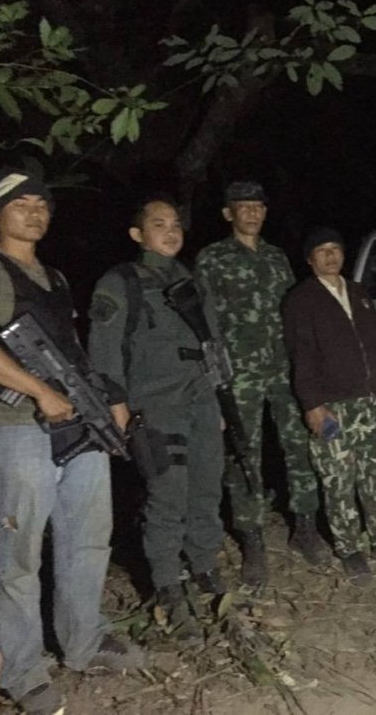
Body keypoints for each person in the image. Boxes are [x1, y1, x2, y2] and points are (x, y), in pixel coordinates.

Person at [0, 169, 145, 715]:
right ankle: (22, 670)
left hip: (78, 426)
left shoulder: (54, 277)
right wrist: (39, 392)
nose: (35, 213)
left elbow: (72, 352)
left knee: (88, 540)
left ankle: (84, 641)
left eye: (42, 204)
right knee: (20, 557)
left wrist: (107, 397)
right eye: (21, 204)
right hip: (21, 431)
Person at [88, 198, 225, 639]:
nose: (171, 231)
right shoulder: (121, 281)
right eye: (159, 224)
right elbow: (104, 351)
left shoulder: (192, 281)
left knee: (206, 487)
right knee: (167, 495)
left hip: (200, 400)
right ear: (137, 234)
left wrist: (218, 403)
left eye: (176, 224)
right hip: (155, 405)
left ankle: (203, 564)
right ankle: (167, 583)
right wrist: (118, 408)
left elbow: (211, 345)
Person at [195, 181, 326, 582]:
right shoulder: (212, 258)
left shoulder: (276, 257)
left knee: (299, 445)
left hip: (282, 367)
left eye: (258, 207)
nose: (252, 213)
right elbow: (203, 321)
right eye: (244, 207)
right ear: (228, 214)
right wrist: (213, 378)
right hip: (239, 373)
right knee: (244, 453)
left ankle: (305, 526)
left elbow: (293, 311)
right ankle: (251, 537)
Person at [283, 227, 376, 585]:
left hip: (369, 403)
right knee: (339, 480)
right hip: (332, 406)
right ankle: (349, 549)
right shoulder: (302, 299)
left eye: (335, 249)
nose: (330, 256)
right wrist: (313, 405)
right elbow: (301, 356)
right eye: (322, 250)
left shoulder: (358, 293)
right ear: (310, 259)